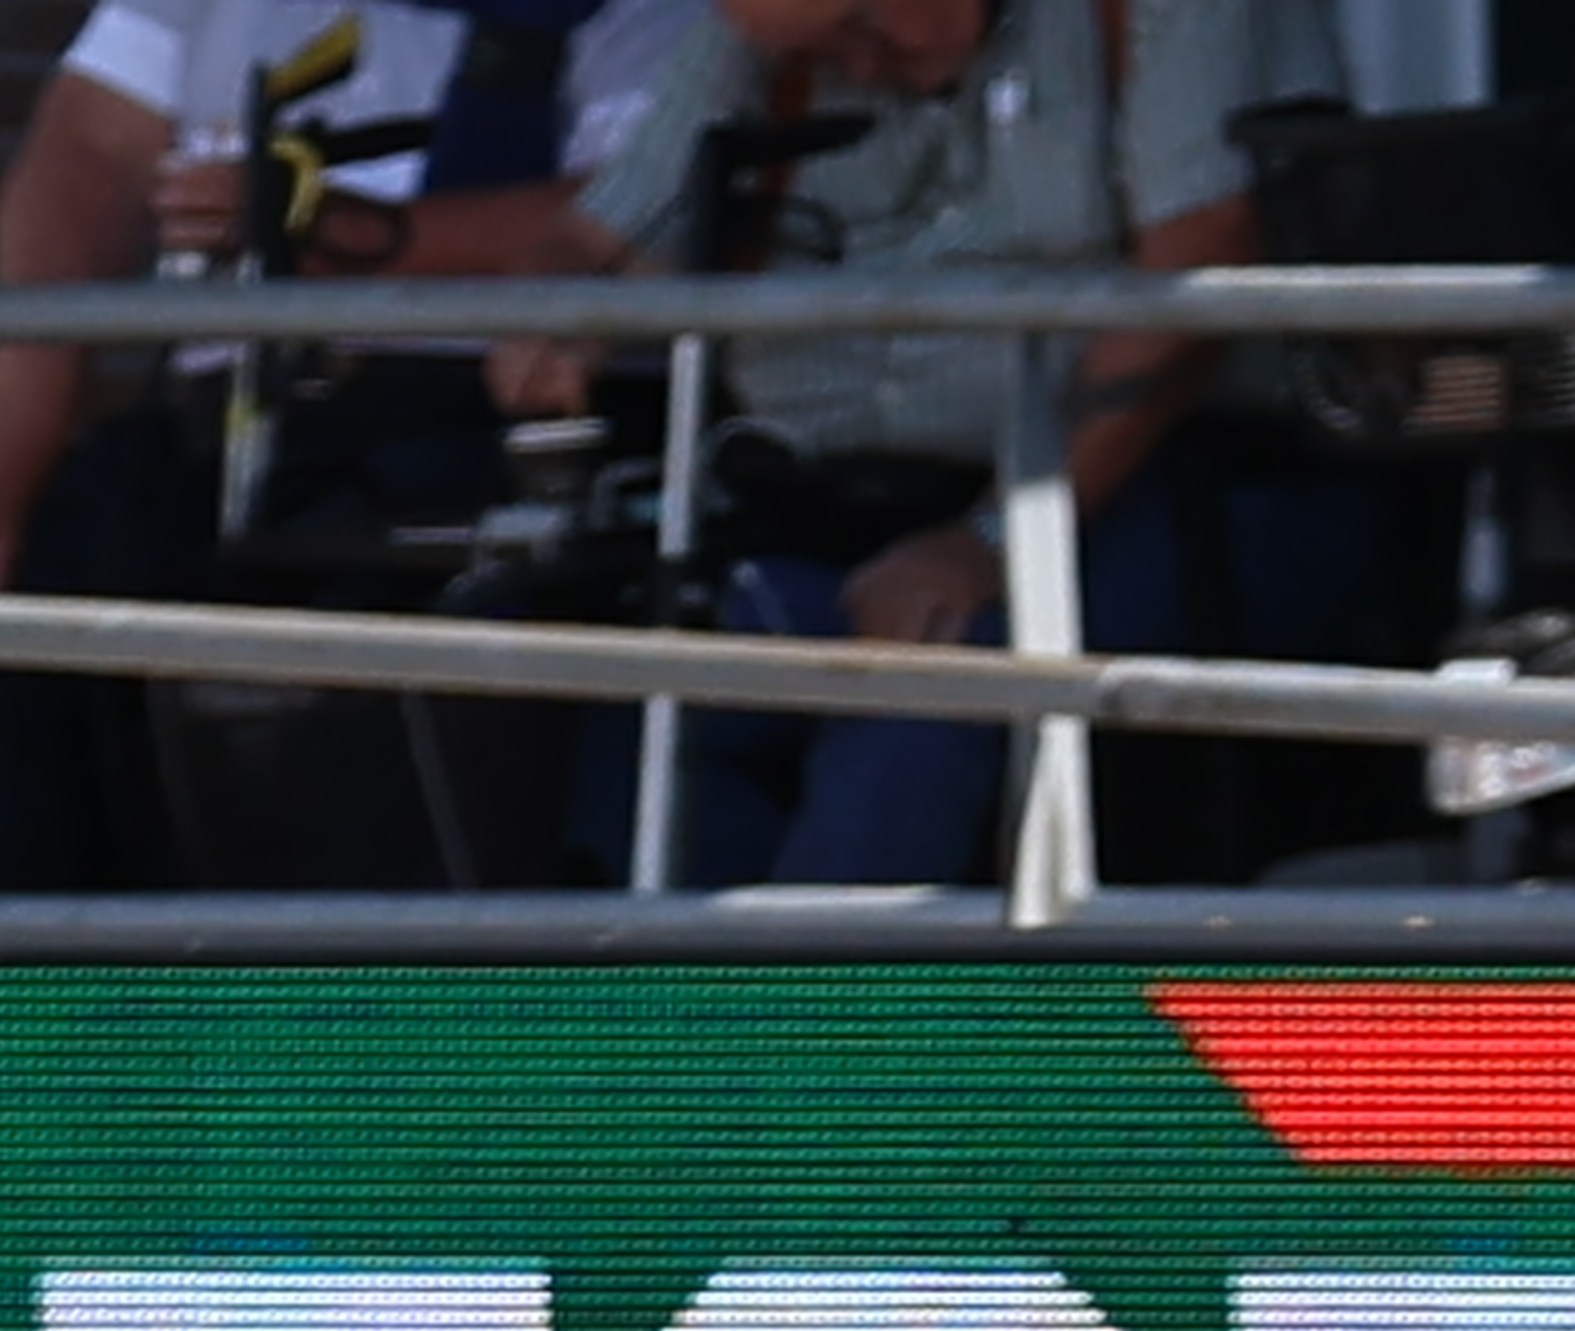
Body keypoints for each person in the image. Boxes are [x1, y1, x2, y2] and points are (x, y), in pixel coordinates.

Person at [473, 0, 1377, 885]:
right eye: (824, 50)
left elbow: (1199, 261)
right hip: (831, 511)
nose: (858, 66)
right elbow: (592, 234)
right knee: (627, 709)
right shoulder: (768, 34)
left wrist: (991, 541)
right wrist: (557, 308)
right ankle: (673, 983)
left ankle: (832, 987)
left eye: (862, 24)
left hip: (1154, 488)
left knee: (923, 693)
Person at [0, 0, 692, 890]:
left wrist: (345, 235)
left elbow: (653, 201)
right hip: (228, 427)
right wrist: (24, 396)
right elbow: (88, 146)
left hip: (514, 424)